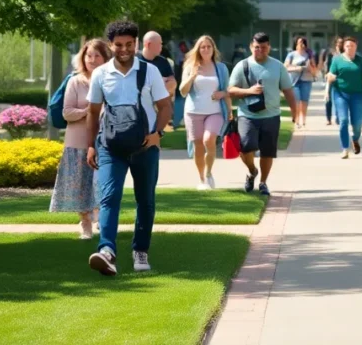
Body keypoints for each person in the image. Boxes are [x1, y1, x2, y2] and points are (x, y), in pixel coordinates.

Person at [86, 20, 173, 277]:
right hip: (110, 146)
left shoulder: (149, 72)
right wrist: (91, 146)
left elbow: (165, 106)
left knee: (145, 200)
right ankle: (107, 251)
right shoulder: (101, 74)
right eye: (119, 45)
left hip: (145, 146)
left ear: (136, 44)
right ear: (111, 45)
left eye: (129, 44)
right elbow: (92, 112)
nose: (124, 49)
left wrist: (158, 133)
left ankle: (140, 250)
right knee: (109, 197)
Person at [51, 39, 111, 238]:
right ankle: (85, 221)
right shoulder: (75, 81)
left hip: (105, 141)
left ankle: (102, 218)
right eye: (88, 56)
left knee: (103, 183)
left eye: (97, 56)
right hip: (77, 141)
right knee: (80, 184)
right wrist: (90, 111)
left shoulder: (111, 79)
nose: (92, 60)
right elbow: (67, 112)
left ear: (105, 58)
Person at [227, 32, 297, 196]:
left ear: (269, 48)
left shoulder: (278, 66)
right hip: (247, 115)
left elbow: (288, 90)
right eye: (257, 47)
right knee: (245, 147)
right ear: (251, 47)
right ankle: (252, 171)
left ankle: (263, 183)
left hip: (271, 115)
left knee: (267, 151)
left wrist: (295, 112)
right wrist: (248, 91)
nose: (260, 50)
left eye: (264, 48)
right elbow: (231, 89)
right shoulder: (242, 65)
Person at [180, 35, 231, 191]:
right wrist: (192, 77)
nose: (206, 49)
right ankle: (202, 179)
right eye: (203, 47)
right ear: (198, 49)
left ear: (213, 49)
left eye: (209, 46)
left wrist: (229, 109)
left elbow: (227, 90)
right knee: (198, 147)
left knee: (209, 140)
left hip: (215, 111)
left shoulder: (221, 68)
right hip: (193, 111)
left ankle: (209, 173)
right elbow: (182, 92)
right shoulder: (190, 66)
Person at [326, 37, 362, 159]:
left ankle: (355, 139)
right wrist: (326, 93)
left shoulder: (360, 60)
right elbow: (330, 76)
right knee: (343, 121)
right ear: (343, 47)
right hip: (341, 94)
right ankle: (345, 149)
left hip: (357, 95)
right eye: (347, 46)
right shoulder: (337, 60)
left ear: (356, 47)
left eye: (352, 45)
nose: (349, 48)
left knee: (357, 123)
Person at [284, 36, 318, 129]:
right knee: (296, 102)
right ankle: (297, 121)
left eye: (303, 43)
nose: (302, 45)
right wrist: (296, 68)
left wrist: (310, 68)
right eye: (300, 43)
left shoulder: (309, 55)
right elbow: (285, 67)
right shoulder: (291, 55)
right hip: (294, 82)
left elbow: (314, 69)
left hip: (306, 81)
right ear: (296, 44)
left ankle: (303, 121)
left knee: (304, 101)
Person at [139, 30, 177, 104]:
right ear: (149, 45)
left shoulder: (163, 61)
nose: (161, 46)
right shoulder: (134, 60)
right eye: (159, 44)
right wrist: (160, 81)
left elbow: (173, 84)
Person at [320, 36, 344, 126]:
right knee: (328, 98)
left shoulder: (344, 53)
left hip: (341, 78)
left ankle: (338, 118)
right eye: (338, 42)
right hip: (330, 77)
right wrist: (326, 74)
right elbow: (326, 64)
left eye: (341, 42)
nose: (339, 44)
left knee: (339, 98)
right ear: (335, 43)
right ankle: (328, 118)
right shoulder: (330, 53)